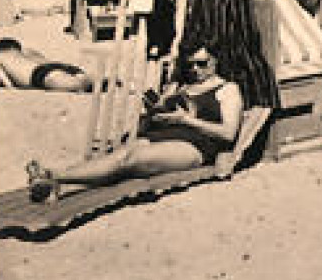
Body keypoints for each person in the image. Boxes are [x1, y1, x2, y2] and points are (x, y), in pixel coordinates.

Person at [25, 44, 244, 203]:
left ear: (216, 61)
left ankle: (53, 176)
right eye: (191, 65)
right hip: (164, 133)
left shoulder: (228, 89)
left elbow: (228, 133)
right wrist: (157, 110)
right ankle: (56, 180)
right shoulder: (182, 86)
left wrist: (185, 119)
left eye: (202, 64)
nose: (196, 70)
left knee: (128, 159)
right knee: (116, 156)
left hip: (195, 145)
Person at [0, 37, 93, 93]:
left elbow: (6, 83)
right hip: (55, 65)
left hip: (38, 73)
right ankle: (88, 80)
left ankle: (82, 83)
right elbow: (42, 58)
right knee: (81, 79)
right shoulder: (26, 52)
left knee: (76, 85)